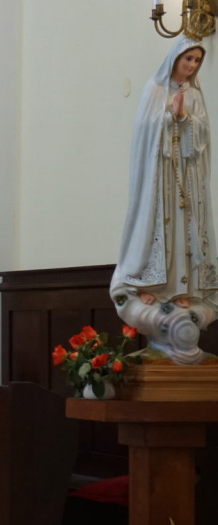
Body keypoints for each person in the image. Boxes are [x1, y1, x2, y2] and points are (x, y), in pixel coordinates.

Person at [111, 36, 218, 364]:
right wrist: (169, 116)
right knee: (158, 233)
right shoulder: (154, 90)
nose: (192, 66)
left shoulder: (195, 94)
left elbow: (201, 137)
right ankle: (152, 288)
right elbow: (145, 131)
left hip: (185, 179)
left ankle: (182, 291)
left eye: (197, 61)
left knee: (184, 234)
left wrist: (185, 118)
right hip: (159, 183)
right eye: (188, 59)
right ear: (175, 58)